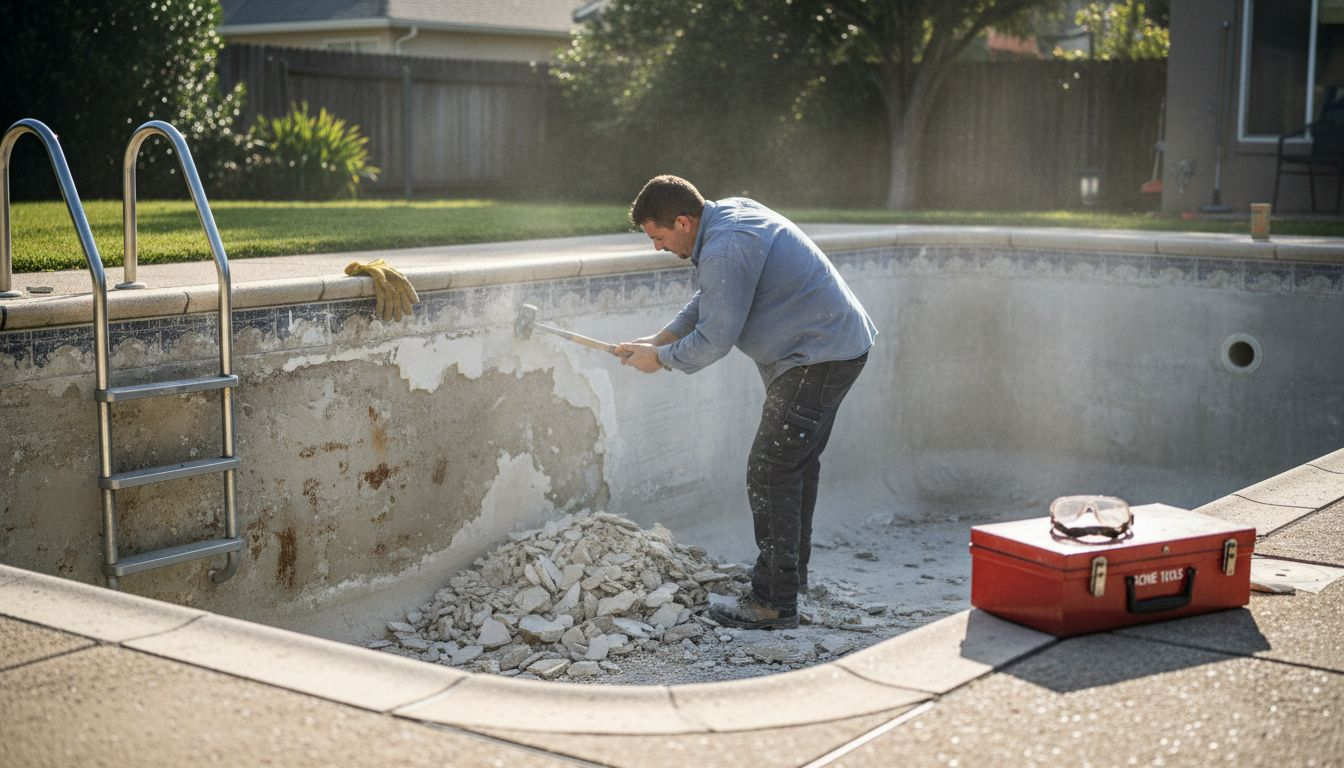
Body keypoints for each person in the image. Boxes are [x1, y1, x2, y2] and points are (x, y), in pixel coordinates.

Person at [617, 175, 876, 630]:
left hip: (818, 356)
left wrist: (660, 360)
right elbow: (712, 297)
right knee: (792, 466)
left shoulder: (724, 248)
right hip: (831, 348)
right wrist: (660, 338)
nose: (657, 248)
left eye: (658, 238)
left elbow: (716, 338)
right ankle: (787, 582)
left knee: (771, 468)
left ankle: (773, 603)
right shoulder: (727, 218)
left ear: (682, 221)